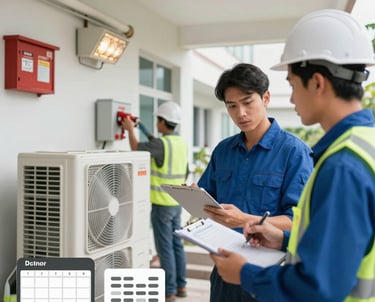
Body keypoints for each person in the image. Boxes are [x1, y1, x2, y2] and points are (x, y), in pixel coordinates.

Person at [210, 9, 375, 302]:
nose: (292, 98)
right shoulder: (363, 144)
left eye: (291, 84)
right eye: (232, 106)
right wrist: (282, 238)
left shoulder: (343, 164)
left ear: (317, 83)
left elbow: (318, 286)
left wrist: (245, 275)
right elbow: (337, 245)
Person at [197, 63, 313, 302]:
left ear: (266, 98)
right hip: (224, 270)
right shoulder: (223, 150)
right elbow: (208, 202)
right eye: (232, 106)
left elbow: (298, 222)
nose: (241, 113)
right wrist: (196, 200)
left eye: (248, 102)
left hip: (268, 273)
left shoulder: (294, 152)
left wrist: (243, 219)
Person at [122, 101, 188, 302]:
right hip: (177, 204)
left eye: (157, 120)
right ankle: (181, 286)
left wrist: (129, 130)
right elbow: (156, 144)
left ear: (162, 122)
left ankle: (169, 292)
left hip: (161, 205)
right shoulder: (178, 143)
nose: (156, 124)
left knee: (165, 248)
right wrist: (141, 126)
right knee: (177, 246)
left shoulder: (161, 145)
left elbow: (136, 147)